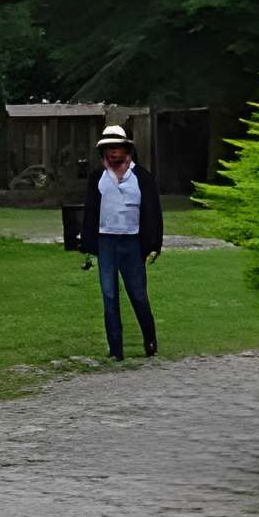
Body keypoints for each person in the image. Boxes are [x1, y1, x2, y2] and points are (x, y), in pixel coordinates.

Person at [78, 125, 163, 361]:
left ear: (127, 150)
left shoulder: (141, 177)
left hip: (132, 241)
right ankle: (116, 349)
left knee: (137, 294)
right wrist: (87, 244)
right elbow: (91, 210)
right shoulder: (98, 177)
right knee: (109, 295)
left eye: (118, 148)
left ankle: (150, 341)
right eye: (109, 149)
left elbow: (153, 212)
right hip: (107, 241)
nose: (114, 153)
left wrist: (155, 244)